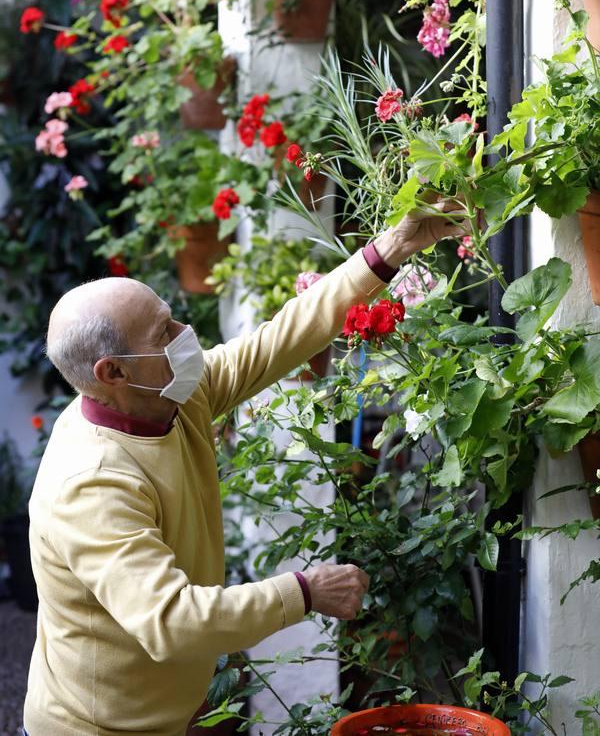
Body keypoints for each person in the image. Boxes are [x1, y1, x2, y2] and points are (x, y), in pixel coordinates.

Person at [22, 202, 467, 736]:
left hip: (162, 715)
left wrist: (392, 248)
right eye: (163, 332)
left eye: (172, 316)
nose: (185, 332)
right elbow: (172, 621)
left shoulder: (172, 395)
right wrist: (304, 591)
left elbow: (279, 340)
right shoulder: (91, 482)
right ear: (113, 372)